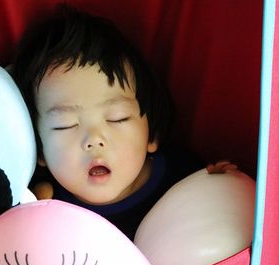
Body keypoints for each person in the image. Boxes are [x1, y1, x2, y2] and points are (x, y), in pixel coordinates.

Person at [12, 4, 235, 240]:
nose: (95, 139)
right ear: (40, 150)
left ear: (151, 134)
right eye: (65, 125)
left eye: (117, 118)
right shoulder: (45, 206)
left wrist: (220, 187)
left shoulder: (183, 176)